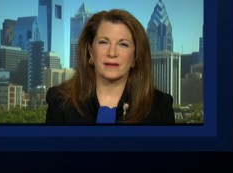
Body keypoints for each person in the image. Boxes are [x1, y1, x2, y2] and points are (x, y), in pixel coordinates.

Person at [45, 9, 175, 124]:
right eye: (103, 42)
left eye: (123, 44)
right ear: (90, 51)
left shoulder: (160, 107)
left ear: (135, 56)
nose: (112, 53)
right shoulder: (60, 102)